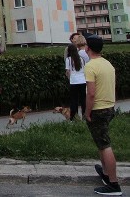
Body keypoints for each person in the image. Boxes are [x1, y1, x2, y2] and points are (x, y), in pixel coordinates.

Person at [84, 35, 122, 196]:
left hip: (98, 109)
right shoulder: (107, 64)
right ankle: (106, 173)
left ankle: (113, 184)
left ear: (88, 48)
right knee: (101, 142)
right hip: (109, 107)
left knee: (105, 145)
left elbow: (91, 93)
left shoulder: (91, 66)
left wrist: (87, 112)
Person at [65, 41, 87, 121]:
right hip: (83, 81)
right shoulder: (81, 58)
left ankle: (74, 117)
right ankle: (85, 115)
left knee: (74, 100)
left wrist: (68, 77)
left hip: (73, 81)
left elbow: (68, 72)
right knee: (83, 100)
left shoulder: (68, 59)